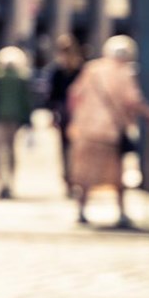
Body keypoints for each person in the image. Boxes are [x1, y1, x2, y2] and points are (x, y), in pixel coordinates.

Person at [67, 36, 149, 228]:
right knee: (115, 174)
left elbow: (75, 94)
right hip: (110, 132)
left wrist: (75, 120)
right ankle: (122, 213)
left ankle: (81, 210)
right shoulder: (124, 72)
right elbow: (132, 100)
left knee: (85, 173)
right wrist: (148, 112)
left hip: (86, 130)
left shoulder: (92, 69)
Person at [0, 46, 34, 199]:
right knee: (12, 150)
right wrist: (27, 119)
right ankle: (10, 182)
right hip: (14, 117)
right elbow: (26, 101)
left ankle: (1, 182)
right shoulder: (22, 77)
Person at [47, 34, 85, 193]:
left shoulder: (80, 69)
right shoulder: (57, 71)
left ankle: (77, 178)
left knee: (78, 148)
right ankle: (68, 179)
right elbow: (53, 96)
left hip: (79, 114)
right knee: (65, 148)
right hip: (65, 114)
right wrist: (53, 116)